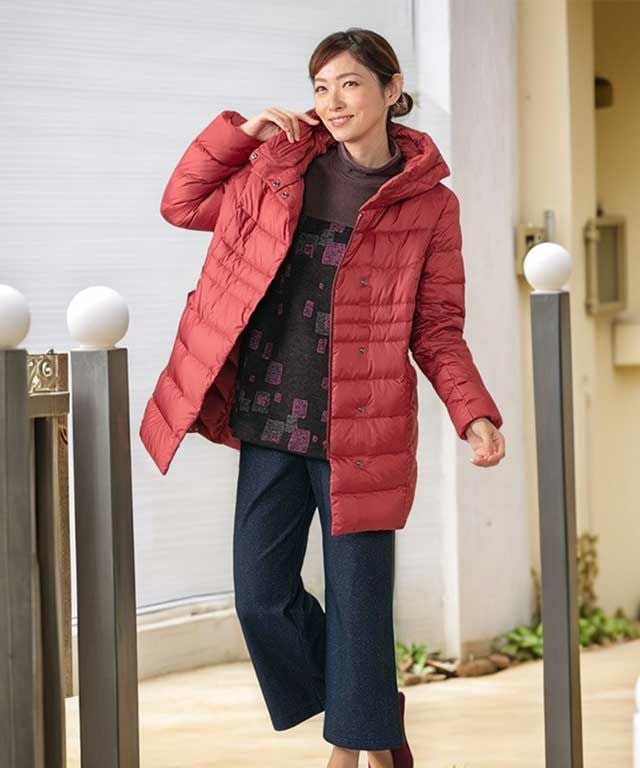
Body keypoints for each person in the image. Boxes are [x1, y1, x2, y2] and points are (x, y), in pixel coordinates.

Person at [141, 26, 506, 768]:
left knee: (359, 606)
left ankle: (352, 744)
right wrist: (241, 135)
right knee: (260, 596)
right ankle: (376, 718)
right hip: (272, 413)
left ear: (391, 90)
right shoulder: (278, 170)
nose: (333, 102)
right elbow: (181, 204)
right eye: (320, 87)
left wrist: (473, 412)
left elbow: (436, 327)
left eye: (349, 84)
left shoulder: (431, 206)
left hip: (362, 430)